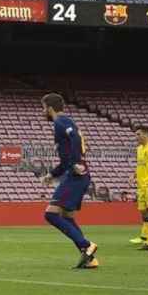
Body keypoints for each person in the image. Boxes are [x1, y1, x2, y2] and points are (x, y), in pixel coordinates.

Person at [40, 93, 99, 269]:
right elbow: (65, 160)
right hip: (76, 174)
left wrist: (74, 163)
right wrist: (52, 174)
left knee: (51, 214)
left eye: (43, 108)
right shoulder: (64, 123)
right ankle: (89, 258)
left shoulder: (61, 121)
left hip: (75, 176)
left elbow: (75, 138)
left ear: (50, 108)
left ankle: (86, 245)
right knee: (67, 216)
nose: (43, 112)